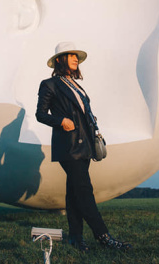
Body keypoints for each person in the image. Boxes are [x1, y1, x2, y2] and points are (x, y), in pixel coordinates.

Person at [35, 42, 132, 252]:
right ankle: (103, 236)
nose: (75, 59)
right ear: (60, 60)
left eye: (76, 56)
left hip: (85, 144)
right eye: (70, 55)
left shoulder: (77, 85)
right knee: (85, 191)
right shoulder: (50, 84)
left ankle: (76, 238)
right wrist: (61, 121)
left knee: (74, 194)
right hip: (69, 146)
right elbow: (40, 114)